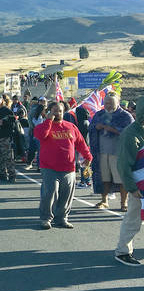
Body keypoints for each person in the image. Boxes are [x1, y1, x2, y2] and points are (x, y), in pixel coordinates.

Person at [33, 101, 92, 230]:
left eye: (60, 110)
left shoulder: (70, 126)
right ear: (48, 112)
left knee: (67, 195)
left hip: (68, 167)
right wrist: (48, 121)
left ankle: (62, 219)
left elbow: (81, 143)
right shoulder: (42, 126)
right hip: (49, 167)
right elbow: (41, 136)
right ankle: (46, 219)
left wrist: (88, 156)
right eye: (54, 110)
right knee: (49, 193)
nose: (57, 113)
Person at [89, 93, 134, 211]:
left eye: (111, 103)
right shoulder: (99, 114)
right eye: (106, 103)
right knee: (104, 177)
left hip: (119, 153)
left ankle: (123, 203)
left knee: (121, 178)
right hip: (101, 152)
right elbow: (91, 127)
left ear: (118, 103)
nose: (108, 105)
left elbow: (131, 133)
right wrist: (95, 127)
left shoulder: (125, 116)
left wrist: (113, 129)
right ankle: (104, 201)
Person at [113, 96, 144, 266]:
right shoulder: (131, 134)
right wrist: (132, 188)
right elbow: (124, 164)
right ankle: (123, 251)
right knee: (133, 219)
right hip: (139, 187)